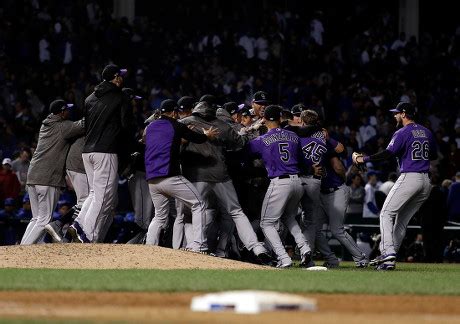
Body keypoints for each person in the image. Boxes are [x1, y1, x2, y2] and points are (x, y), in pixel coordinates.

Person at [180, 101, 272, 263]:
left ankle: (196, 246)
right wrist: (252, 130)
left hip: (197, 176)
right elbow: (241, 142)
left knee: (194, 212)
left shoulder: (185, 123)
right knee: (236, 212)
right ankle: (257, 248)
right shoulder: (222, 126)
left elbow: (166, 132)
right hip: (221, 175)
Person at [353, 102, 437, 270]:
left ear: (404, 114)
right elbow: (433, 155)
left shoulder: (402, 132)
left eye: (397, 113)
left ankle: (388, 252)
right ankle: (389, 260)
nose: (395, 116)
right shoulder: (427, 131)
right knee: (401, 221)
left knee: (386, 213)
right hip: (426, 182)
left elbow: (387, 153)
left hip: (410, 177)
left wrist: (364, 159)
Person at [144, 99, 218, 252]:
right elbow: (196, 138)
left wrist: (179, 136)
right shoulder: (176, 125)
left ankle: (149, 248)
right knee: (198, 204)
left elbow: (158, 140)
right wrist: (207, 135)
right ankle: (199, 244)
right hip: (170, 177)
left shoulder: (150, 127)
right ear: (173, 112)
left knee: (159, 216)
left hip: (151, 180)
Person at [247, 105, 312, 268]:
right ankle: (305, 249)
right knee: (289, 217)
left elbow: (244, 150)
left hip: (280, 182)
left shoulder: (263, 139)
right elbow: (303, 161)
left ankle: (284, 258)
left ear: (265, 119)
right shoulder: (293, 135)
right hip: (297, 181)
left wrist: (250, 130)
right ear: (280, 118)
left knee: (266, 223)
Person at [72, 64, 132, 243]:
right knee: (103, 196)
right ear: (115, 77)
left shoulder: (90, 97)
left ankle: (78, 225)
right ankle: (87, 234)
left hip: (88, 151)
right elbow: (126, 127)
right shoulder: (120, 96)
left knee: (94, 193)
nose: (122, 78)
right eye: (120, 76)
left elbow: (86, 125)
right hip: (105, 151)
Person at [20, 99, 84, 244]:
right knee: (44, 220)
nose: (69, 111)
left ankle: (20, 250)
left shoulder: (46, 123)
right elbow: (83, 125)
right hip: (46, 178)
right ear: (61, 112)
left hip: (33, 176)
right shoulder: (62, 126)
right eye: (66, 109)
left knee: (36, 218)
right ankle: (24, 250)